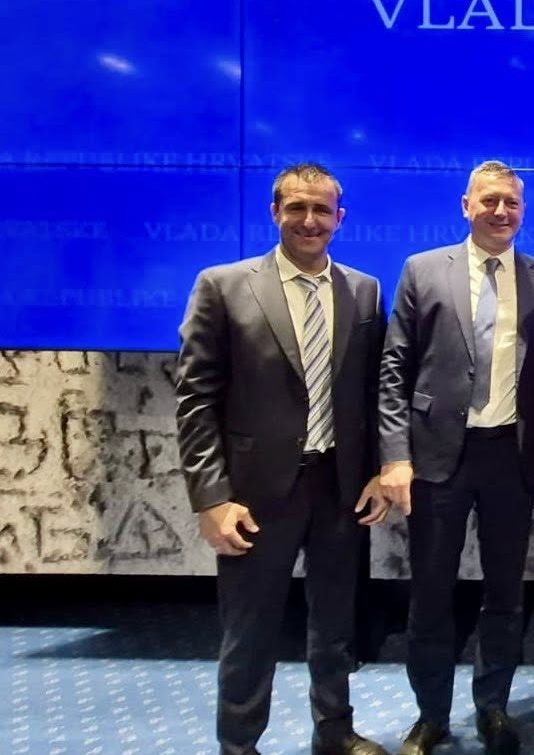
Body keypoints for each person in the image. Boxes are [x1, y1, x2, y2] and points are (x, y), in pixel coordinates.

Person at [175, 162, 392, 755]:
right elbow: (196, 399)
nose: (309, 220)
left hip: (340, 487)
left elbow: (374, 392)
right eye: (297, 207)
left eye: (322, 209)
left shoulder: (365, 291)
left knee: (336, 623)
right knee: (250, 630)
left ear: (340, 218)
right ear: (275, 212)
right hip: (254, 494)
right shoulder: (222, 285)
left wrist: (378, 470)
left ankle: (335, 730)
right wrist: (212, 498)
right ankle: (239, 744)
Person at [378, 161, 534, 755]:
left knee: (505, 593)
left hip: (512, 455)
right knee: (431, 593)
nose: (500, 211)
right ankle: (431, 714)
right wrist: (395, 455)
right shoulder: (423, 269)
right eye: (489, 201)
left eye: (511, 202)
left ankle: (494, 707)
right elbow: (394, 368)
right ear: (466, 205)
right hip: (436, 458)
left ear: (523, 210)